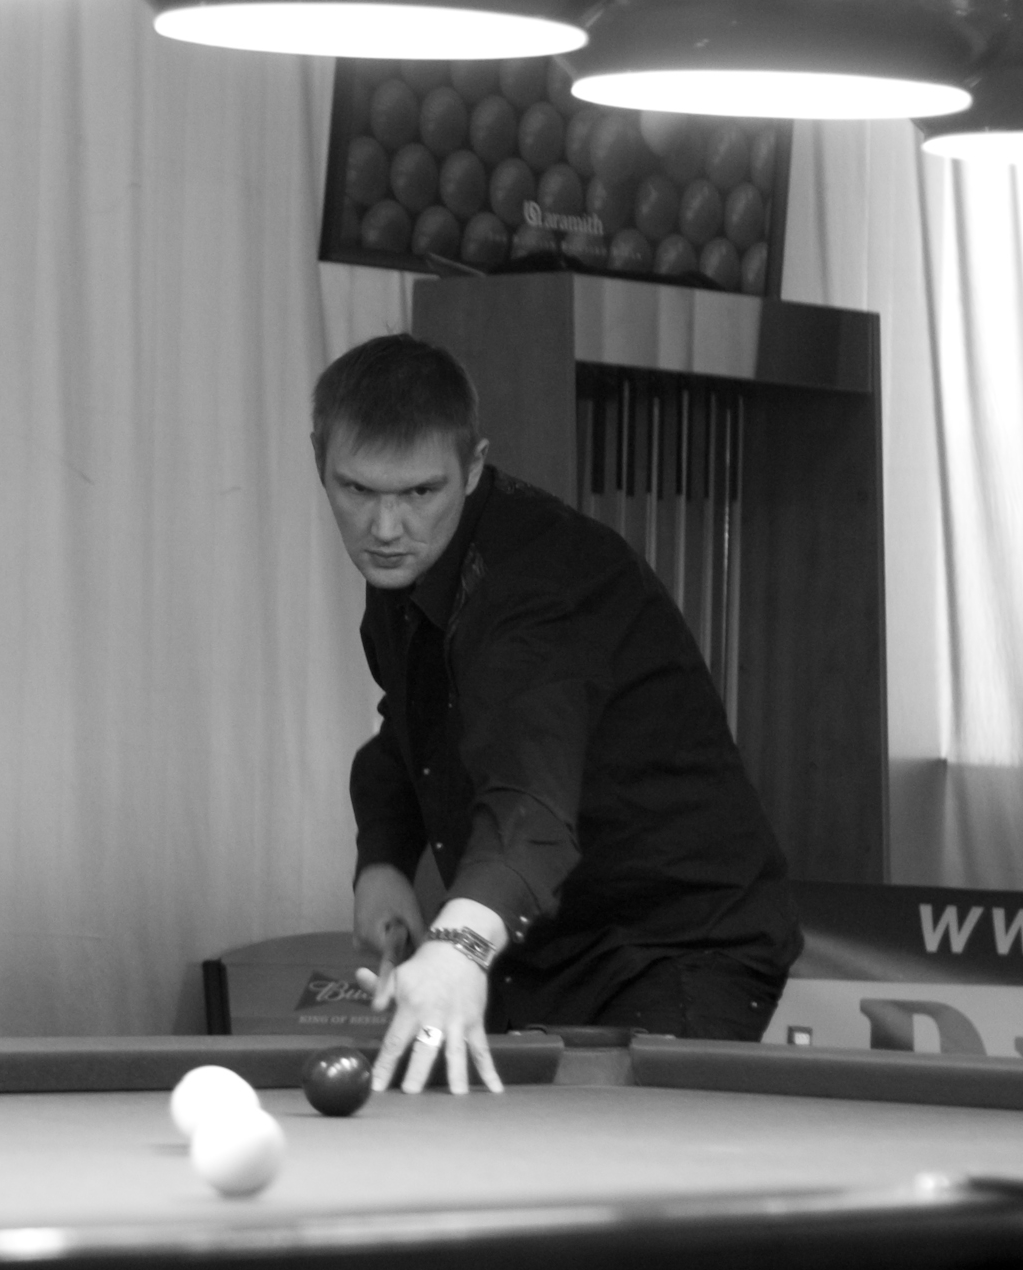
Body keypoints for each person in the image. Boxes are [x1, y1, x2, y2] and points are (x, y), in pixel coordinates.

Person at [313, 334, 800, 1098]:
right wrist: (382, 861)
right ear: (319, 460)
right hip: (544, 947)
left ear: (474, 466)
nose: (385, 526)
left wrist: (458, 944)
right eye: (358, 490)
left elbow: (531, 806)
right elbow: (411, 734)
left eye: (419, 492)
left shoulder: (535, 591)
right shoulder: (410, 566)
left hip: (671, 948)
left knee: (623, 1166)